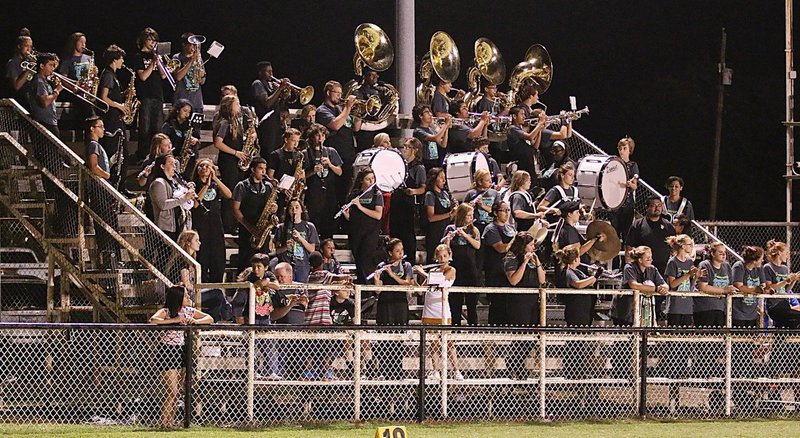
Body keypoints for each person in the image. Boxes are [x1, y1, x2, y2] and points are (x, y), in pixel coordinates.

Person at [149, 286, 212, 428]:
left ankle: (170, 422)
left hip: (181, 350)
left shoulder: (189, 311)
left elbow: (209, 318)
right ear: (178, 298)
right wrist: (175, 319)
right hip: (167, 351)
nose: (188, 298)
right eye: (185, 296)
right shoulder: (166, 311)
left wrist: (196, 322)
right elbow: (153, 320)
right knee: (172, 390)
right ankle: (164, 422)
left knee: (178, 390)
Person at [412, 244, 464, 381]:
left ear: (450, 256)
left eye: (445, 256)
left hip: (442, 309)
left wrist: (423, 273)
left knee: (448, 342)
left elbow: (439, 282)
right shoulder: (433, 270)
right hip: (429, 309)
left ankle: (456, 370)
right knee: (433, 342)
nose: (442, 258)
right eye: (440, 256)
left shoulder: (451, 270)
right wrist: (413, 279)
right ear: (436, 257)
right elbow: (420, 291)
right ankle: (435, 370)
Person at [504, 232, 545, 380]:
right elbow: (514, 280)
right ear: (523, 246)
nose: (534, 247)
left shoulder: (534, 258)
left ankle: (516, 365)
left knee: (532, 337)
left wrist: (537, 262)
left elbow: (542, 279)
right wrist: (524, 263)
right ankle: (514, 366)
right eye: (531, 245)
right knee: (521, 336)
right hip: (518, 301)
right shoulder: (511, 258)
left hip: (533, 300)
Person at [316, 80, 362, 206]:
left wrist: (358, 114)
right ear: (328, 93)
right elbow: (335, 125)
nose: (340, 96)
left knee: (345, 192)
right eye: (336, 93)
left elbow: (356, 128)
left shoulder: (341, 109)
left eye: (341, 93)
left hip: (347, 156)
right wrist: (347, 108)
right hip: (334, 157)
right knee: (333, 194)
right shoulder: (322, 110)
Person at [213, 94, 252, 232]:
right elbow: (218, 143)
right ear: (229, 106)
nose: (239, 106)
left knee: (237, 192)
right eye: (237, 104)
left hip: (236, 161)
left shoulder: (237, 122)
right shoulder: (224, 122)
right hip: (229, 161)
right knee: (229, 192)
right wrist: (236, 153)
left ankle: (235, 223)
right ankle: (227, 224)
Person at [85, 116, 120, 268]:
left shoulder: (98, 146)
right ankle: (108, 262)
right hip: (99, 191)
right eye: (100, 126)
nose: (103, 129)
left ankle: (113, 261)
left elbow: (101, 165)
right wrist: (109, 176)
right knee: (105, 229)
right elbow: (94, 167)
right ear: (92, 129)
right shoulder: (93, 145)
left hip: (103, 191)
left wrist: (112, 162)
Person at [231, 157, 277, 272]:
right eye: (260, 169)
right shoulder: (242, 186)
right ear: (252, 169)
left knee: (264, 261)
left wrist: (274, 208)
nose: (263, 172)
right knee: (246, 262)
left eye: (265, 169)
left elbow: (272, 206)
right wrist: (250, 228)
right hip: (248, 230)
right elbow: (235, 210)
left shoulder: (268, 186)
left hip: (263, 230)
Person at [191, 158, 231, 283]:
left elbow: (229, 194)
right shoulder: (193, 184)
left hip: (215, 224)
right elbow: (196, 204)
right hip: (201, 224)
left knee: (217, 258)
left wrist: (216, 179)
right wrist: (206, 185)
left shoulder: (215, 185)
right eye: (201, 166)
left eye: (208, 166)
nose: (204, 168)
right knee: (202, 257)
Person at [132, 27, 167, 162]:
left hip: (158, 96)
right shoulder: (139, 56)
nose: (153, 43)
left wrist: (159, 62)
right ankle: (142, 155)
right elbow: (143, 76)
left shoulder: (157, 56)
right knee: (145, 129)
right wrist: (153, 62)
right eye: (150, 40)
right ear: (143, 40)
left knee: (157, 128)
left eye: (154, 40)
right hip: (145, 96)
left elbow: (164, 76)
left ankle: (156, 155)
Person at [343, 168, 383, 283]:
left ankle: (369, 290)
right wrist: (346, 213)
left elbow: (378, 215)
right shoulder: (354, 195)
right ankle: (361, 289)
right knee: (358, 262)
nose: (371, 181)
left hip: (370, 233)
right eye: (368, 179)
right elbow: (352, 218)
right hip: (356, 232)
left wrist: (360, 206)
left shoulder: (377, 195)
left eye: (373, 179)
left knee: (366, 260)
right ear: (361, 180)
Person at [303, 123, 343, 239]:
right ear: (312, 137)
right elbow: (300, 176)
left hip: (329, 191)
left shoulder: (331, 151)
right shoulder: (305, 153)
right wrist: (312, 171)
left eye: (322, 135)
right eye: (317, 135)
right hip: (313, 193)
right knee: (314, 220)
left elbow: (339, 172)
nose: (320, 138)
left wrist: (330, 164)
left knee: (328, 219)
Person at [443, 204, 481, 325]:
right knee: (455, 303)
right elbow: (446, 252)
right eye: (468, 216)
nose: (471, 218)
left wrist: (465, 235)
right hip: (456, 269)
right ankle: (455, 329)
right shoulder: (450, 228)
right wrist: (448, 240)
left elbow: (477, 246)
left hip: (470, 269)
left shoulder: (474, 230)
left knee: (472, 303)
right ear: (462, 216)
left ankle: (473, 330)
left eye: (471, 215)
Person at [97, 44, 130, 184]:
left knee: (122, 152)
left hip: (115, 118)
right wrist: (120, 106)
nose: (123, 61)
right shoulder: (108, 75)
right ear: (114, 59)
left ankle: (121, 184)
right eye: (121, 58)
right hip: (111, 120)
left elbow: (112, 95)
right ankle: (116, 185)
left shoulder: (112, 75)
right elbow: (103, 98)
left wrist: (125, 94)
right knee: (117, 152)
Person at [615, 246, 668, 327]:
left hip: (644, 310)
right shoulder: (629, 267)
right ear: (640, 260)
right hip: (626, 309)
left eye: (651, 257)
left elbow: (664, 284)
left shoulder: (652, 269)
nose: (651, 260)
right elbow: (634, 285)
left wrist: (663, 289)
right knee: (625, 335)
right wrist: (655, 289)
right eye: (648, 258)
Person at [482, 201, 516, 324]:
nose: (507, 213)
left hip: (511, 269)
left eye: (508, 210)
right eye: (503, 210)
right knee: (497, 304)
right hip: (496, 271)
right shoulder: (491, 228)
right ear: (495, 213)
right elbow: (500, 248)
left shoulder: (511, 227)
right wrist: (516, 242)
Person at [625, 196, 676, 277]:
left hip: (664, 270)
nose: (657, 208)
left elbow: (674, 248)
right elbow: (629, 248)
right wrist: (630, 268)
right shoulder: (638, 225)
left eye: (659, 205)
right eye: (653, 206)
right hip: (642, 270)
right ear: (647, 207)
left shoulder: (668, 226)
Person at [148, 154, 195, 241]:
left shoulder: (175, 182)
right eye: (170, 163)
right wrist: (184, 198)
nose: (174, 166)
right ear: (162, 166)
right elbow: (163, 205)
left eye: (174, 163)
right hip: (166, 228)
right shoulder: (158, 183)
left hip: (178, 224)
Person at [273, 198, 319, 282]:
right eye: (291, 208)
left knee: (301, 292)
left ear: (302, 209)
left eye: (297, 207)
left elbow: (312, 249)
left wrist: (300, 238)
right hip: (285, 266)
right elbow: (276, 251)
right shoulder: (281, 227)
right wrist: (286, 247)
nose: (294, 210)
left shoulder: (309, 227)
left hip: (302, 266)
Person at [696, 242, 738, 327]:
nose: (723, 255)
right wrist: (723, 290)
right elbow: (703, 287)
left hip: (721, 307)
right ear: (712, 253)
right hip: (705, 308)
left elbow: (729, 285)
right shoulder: (705, 265)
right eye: (720, 252)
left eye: (724, 253)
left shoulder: (726, 266)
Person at [252, 61, 288, 157]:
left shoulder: (271, 85)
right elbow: (267, 103)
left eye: (271, 71)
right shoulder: (257, 84)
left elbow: (279, 103)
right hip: (266, 126)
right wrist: (280, 89)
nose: (271, 74)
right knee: (269, 153)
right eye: (268, 71)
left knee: (278, 153)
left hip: (276, 125)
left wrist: (284, 94)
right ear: (260, 72)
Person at [664, 234, 701, 327]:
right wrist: (687, 274)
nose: (692, 247)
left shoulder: (689, 261)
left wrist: (696, 276)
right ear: (683, 246)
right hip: (675, 306)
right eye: (690, 245)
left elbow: (690, 285)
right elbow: (672, 284)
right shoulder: (673, 262)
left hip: (687, 305)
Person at [58, 32, 94, 122]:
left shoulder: (88, 58)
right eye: (81, 42)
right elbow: (64, 80)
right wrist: (76, 89)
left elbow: (92, 77)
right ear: (74, 43)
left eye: (85, 42)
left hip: (87, 92)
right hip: (75, 92)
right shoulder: (67, 59)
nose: (83, 45)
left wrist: (95, 73)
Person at [609, 137, 640, 240]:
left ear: (630, 150)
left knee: (627, 233)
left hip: (627, 204)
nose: (621, 151)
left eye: (624, 148)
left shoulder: (633, 165)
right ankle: (615, 256)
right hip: (614, 203)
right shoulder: (614, 164)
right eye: (620, 148)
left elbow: (635, 186)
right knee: (614, 233)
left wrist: (629, 184)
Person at [764, 240, 800, 328]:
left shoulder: (784, 268)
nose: (788, 255)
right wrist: (786, 281)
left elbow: (786, 290)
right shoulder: (768, 267)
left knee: (785, 324)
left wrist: (794, 280)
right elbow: (770, 287)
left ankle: (779, 339)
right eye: (786, 253)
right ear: (779, 253)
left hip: (784, 304)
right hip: (774, 306)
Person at [424, 167, 456, 264]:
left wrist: (454, 208)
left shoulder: (445, 193)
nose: (444, 180)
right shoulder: (430, 195)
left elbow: (451, 216)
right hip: (435, 232)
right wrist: (450, 214)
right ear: (434, 179)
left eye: (444, 177)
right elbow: (431, 217)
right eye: (441, 177)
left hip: (446, 230)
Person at [161, 99, 199, 179]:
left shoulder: (191, 126)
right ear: (178, 110)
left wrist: (195, 140)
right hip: (173, 157)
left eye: (189, 112)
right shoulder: (169, 125)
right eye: (185, 111)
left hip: (188, 160)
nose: (187, 114)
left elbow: (197, 139)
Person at [730, 246, 766, 327]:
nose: (762, 261)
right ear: (754, 260)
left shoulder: (759, 269)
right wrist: (755, 289)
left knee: (751, 337)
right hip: (739, 311)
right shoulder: (739, 266)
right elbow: (739, 286)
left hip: (752, 312)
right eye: (761, 258)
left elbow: (763, 285)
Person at [506, 106, 546, 179]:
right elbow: (530, 137)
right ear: (514, 116)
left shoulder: (520, 129)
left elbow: (535, 146)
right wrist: (540, 123)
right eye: (522, 114)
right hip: (521, 166)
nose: (524, 117)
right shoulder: (512, 129)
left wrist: (539, 129)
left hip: (529, 163)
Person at [28, 52, 62, 136]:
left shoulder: (45, 81)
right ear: (42, 66)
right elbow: (45, 102)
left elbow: (51, 100)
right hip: (44, 122)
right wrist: (57, 91)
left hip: (50, 121)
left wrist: (54, 87)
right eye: (50, 65)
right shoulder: (39, 81)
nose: (53, 68)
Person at [172, 32, 205, 111]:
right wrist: (191, 61)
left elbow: (202, 82)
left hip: (197, 102)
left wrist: (202, 75)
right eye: (192, 44)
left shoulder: (199, 59)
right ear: (184, 44)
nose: (194, 47)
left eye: (195, 45)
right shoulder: (176, 57)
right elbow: (178, 77)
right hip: (182, 101)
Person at [412, 104, 451, 169]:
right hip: (425, 163)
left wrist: (446, 128)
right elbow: (435, 138)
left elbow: (443, 144)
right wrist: (445, 124)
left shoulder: (431, 130)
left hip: (435, 162)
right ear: (420, 116)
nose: (430, 114)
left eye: (430, 112)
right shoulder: (418, 131)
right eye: (427, 112)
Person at [464, 168, 500, 237]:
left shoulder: (495, 193)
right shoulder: (471, 194)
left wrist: (482, 205)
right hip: (476, 225)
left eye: (490, 179)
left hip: (491, 225)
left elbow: (497, 211)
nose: (490, 182)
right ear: (480, 182)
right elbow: (463, 212)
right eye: (487, 180)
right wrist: (470, 207)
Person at [5, 30, 34, 108]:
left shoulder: (29, 62)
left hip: (31, 103)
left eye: (30, 46)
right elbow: (16, 86)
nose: (29, 49)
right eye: (26, 46)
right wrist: (29, 69)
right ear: (19, 46)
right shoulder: (12, 63)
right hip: (18, 105)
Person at [177, 229, 201, 294]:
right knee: (217, 292)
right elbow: (187, 285)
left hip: (193, 292)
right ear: (188, 243)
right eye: (196, 240)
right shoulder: (182, 261)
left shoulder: (191, 261)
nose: (199, 242)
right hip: (186, 294)